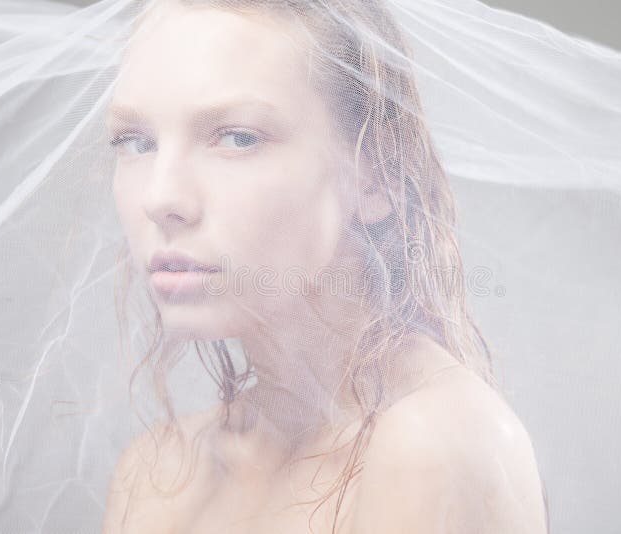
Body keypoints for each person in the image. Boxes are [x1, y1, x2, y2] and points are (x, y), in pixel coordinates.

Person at [101, 0, 548, 533]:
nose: (160, 197)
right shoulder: (157, 471)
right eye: (135, 142)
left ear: (376, 173)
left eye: (238, 137)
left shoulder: (434, 445)